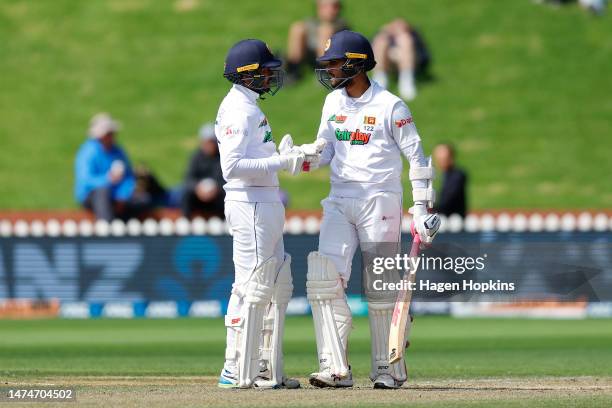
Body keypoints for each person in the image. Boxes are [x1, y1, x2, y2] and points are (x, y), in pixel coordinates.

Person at [292, 30, 441, 389]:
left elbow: (417, 159)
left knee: (381, 286)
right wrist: (303, 158)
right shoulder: (332, 104)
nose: (328, 70)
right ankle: (334, 368)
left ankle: (388, 367)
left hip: (380, 200)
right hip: (339, 200)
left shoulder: (391, 106)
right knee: (323, 278)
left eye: (334, 63)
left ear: (356, 65)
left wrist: (421, 208)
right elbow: (326, 150)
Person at [215, 39, 307, 389]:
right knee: (250, 285)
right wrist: (279, 161)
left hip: (263, 201)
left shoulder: (249, 106)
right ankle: (235, 367)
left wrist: (281, 156)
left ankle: (262, 366)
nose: (271, 76)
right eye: (266, 71)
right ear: (248, 74)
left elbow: (256, 157)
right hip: (249, 204)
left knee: (270, 284)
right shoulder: (239, 109)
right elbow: (232, 166)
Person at [74, 113, 152, 221]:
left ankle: (123, 222)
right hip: (93, 196)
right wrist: (108, 179)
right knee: (102, 193)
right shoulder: (88, 152)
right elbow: (86, 180)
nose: (112, 136)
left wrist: (122, 195)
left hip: (116, 195)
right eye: (109, 133)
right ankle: (107, 227)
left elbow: (128, 176)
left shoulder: (118, 151)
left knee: (143, 199)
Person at [285, 0, 349, 83]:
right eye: (325, 7)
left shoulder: (341, 25)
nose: (330, 10)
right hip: (309, 55)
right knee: (297, 28)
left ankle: (325, 72)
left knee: (326, 29)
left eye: (334, 6)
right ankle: (293, 70)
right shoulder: (311, 22)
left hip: (333, 60)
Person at [371, 18, 431, 101]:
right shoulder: (385, 38)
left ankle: (406, 80)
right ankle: (380, 81)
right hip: (387, 62)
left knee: (404, 39)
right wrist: (384, 33)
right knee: (381, 40)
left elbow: (424, 57)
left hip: (412, 62)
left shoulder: (411, 38)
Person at [180, 123, 225, 219]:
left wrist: (216, 189)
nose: (208, 145)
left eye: (211, 142)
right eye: (206, 142)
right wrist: (197, 188)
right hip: (198, 196)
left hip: (217, 196)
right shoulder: (196, 158)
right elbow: (188, 178)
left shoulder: (223, 157)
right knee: (186, 194)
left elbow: (227, 179)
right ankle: (186, 220)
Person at [433, 143, 467, 217]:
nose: (439, 161)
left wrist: (430, 209)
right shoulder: (443, 175)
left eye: (443, 159)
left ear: (451, 157)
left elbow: (447, 201)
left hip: (453, 221)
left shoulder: (457, 175)